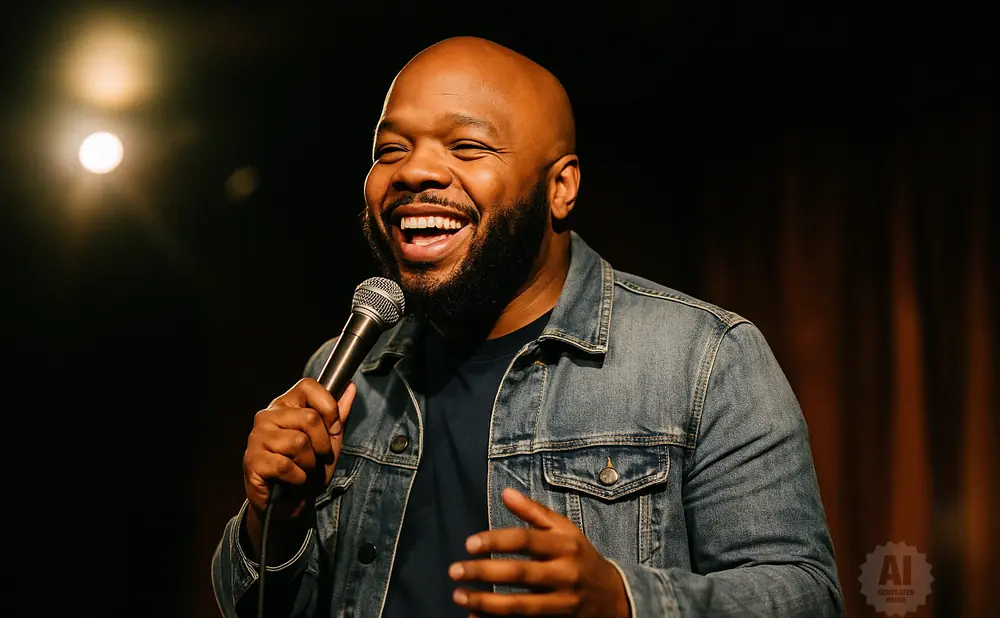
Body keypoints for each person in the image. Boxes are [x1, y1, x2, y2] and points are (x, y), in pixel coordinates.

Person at [212, 36, 844, 617]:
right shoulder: (347, 369)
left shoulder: (699, 357)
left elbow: (806, 596)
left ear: (561, 188)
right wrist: (277, 522)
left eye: (467, 146)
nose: (412, 173)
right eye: (390, 150)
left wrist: (625, 603)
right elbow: (263, 607)